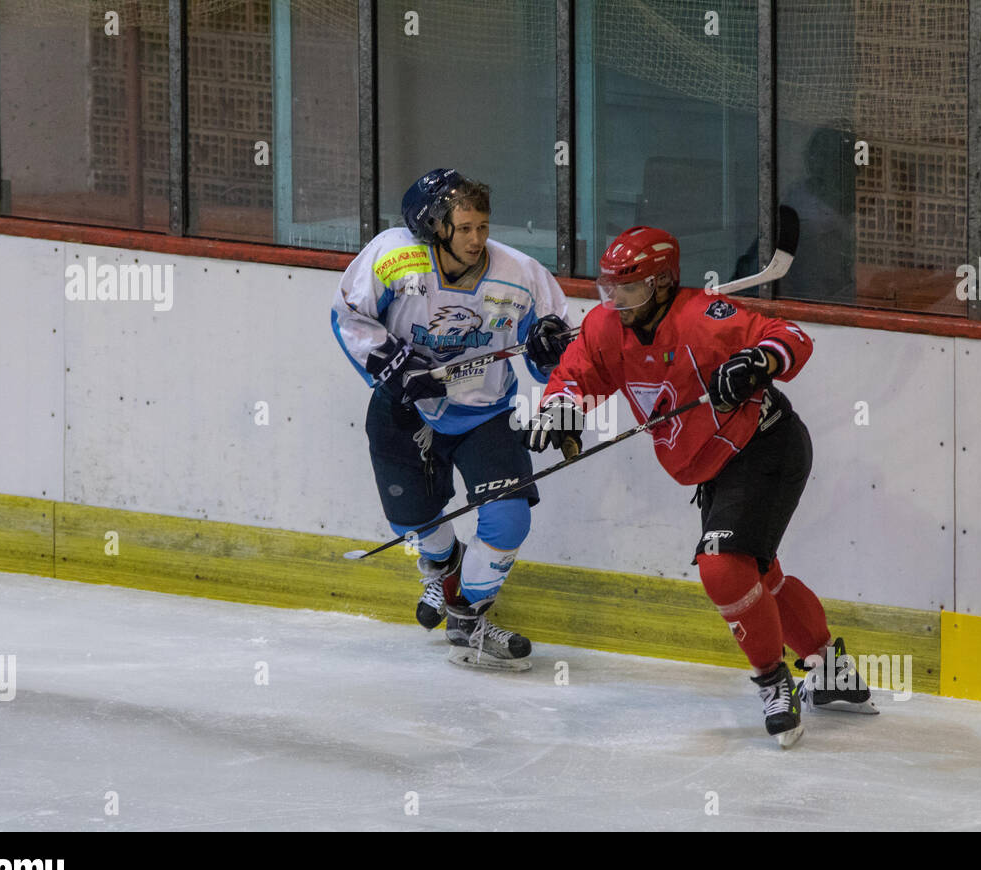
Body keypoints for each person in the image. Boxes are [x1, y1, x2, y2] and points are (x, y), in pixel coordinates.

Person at [525, 225, 876, 745]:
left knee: (723, 569)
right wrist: (561, 408)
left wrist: (756, 361)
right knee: (760, 577)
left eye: (629, 287)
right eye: (610, 287)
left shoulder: (704, 318)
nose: (615, 299)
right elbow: (577, 375)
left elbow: (792, 337)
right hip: (715, 466)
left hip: (766, 447)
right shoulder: (605, 326)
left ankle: (773, 683)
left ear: (663, 283)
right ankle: (830, 669)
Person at [331, 169, 572, 670]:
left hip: (485, 411)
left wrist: (550, 353)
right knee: (412, 521)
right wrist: (395, 368)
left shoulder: (521, 274)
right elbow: (350, 317)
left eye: (482, 226)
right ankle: (444, 565)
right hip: (405, 408)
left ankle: (467, 618)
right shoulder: (393, 256)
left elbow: (551, 353)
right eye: (463, 228)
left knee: (509, 519)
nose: (476, 239)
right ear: (433, 227)